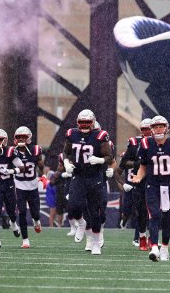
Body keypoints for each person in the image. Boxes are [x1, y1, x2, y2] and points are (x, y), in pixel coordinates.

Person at [132, 115, 170, 262]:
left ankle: (164, 247)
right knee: (154, 214)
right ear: (151, 129)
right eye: (155, 127)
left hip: (169, 185)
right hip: (152, 185)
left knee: (167, 218)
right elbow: (143, 166)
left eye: (161, 126)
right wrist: (138, 177)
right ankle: (154, 247)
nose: (158, 129)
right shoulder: (146, 143)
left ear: (167, 128)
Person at [62, 109, 113, 255]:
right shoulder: (72, 134)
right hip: (78, 175)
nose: (84, 125)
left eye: (87, 122)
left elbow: (110, 156)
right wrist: (66, 162)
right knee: (73, 206)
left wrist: (100, 160)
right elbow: (66, 151)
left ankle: (96, 242)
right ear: (78, 123)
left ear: (93, 122)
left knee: (94, 212)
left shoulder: (100, 136)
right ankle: (81, 223)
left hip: (94, 176)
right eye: (82, 122)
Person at [115, 118, 152, 251]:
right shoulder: (134, 144)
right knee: (138, 211)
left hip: (156, 182)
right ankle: (140, 237)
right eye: (145, 129)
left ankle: (153, 240)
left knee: (156, 213)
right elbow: (119, 169)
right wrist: (124, 184)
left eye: (150, 129)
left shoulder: (163, 144)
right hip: (137, 183)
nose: (148, 132)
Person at [12, 126, 47, 249]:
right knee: (21, 212)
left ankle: (36, 221)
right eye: (19, 137)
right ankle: (25, 239)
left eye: (23, 137)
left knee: (35, 213)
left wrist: (43, 176)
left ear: (29, 138)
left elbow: (41, 165)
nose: (21, 139)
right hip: (19, 185)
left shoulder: (35, 150)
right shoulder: (12, 151)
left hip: (32, 186)